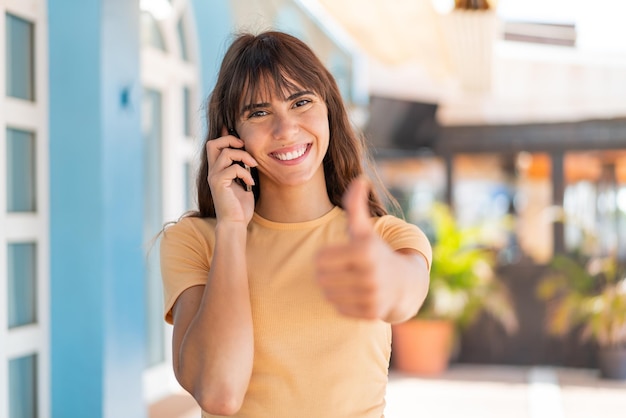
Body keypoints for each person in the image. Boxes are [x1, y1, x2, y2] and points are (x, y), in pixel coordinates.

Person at [159, 30, 432, 418]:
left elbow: (406, 292)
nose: (285, 130)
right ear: (231, 137)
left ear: (329, 112)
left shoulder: (386, 237)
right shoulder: (195, 242)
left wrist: (386, 281)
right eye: (259, 112)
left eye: (301, 102)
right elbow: (219, 394)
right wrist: (232, 229)